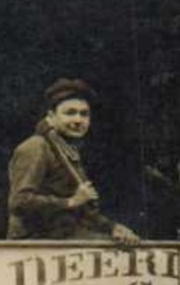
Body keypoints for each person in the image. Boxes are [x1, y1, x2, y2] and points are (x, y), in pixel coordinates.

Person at [7, 77, 140, 243]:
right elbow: (20, 202)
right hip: (35, 247)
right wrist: (70, 202)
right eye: (70, 113)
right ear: (51, 117)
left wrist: (112, 227)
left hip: (64, 243)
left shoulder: (67, 151)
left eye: (84, 114)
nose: (78, 120)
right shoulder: (36, 147)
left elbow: (82, 210)